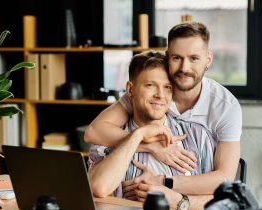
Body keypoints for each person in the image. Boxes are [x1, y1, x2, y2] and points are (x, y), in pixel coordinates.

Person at [85, 22, 242, 195]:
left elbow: (224, 180)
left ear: (208, 59)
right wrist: (147, 142)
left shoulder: (221, 112)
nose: (184, 68)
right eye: (177, 58)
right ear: (168, 58)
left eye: (194, 58)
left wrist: (162, 184)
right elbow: (94, 132)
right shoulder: (144, 96)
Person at [88, 51, 214, 210]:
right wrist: (139, 135)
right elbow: (99, 188)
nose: (160, 95)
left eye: (167, 87)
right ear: (130, 89)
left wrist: (176, 200)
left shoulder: (198, 136)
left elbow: (218, 201)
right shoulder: (107, 139)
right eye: (150, 85)